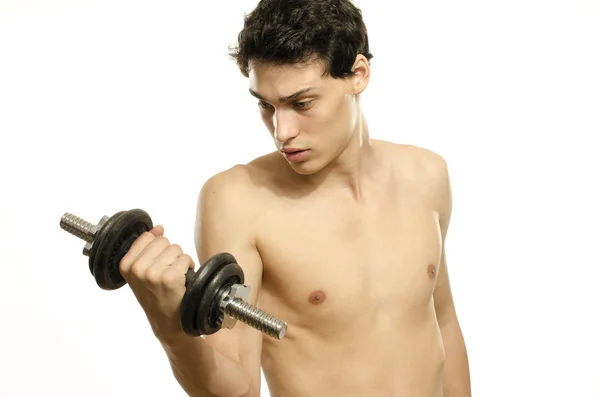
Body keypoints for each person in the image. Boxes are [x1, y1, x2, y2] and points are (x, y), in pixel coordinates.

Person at [119, 0, 471, 396]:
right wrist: (168, 323)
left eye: (300, 103)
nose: (281, 130)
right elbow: (238, 389)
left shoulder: (426, 176)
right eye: (265, 105)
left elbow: (443, 323)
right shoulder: (239, 202)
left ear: (358, 74)